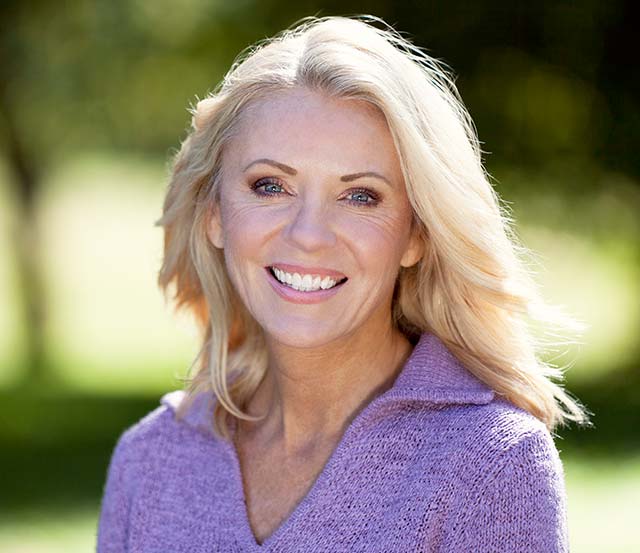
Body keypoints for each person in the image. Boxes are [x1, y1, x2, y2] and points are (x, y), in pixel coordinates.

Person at [96, 14, 591, 552]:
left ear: (415, 235)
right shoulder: (151, 461)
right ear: (215, 214)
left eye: (360, 196)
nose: (308, 235)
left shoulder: (489, 466)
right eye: (270, 186)